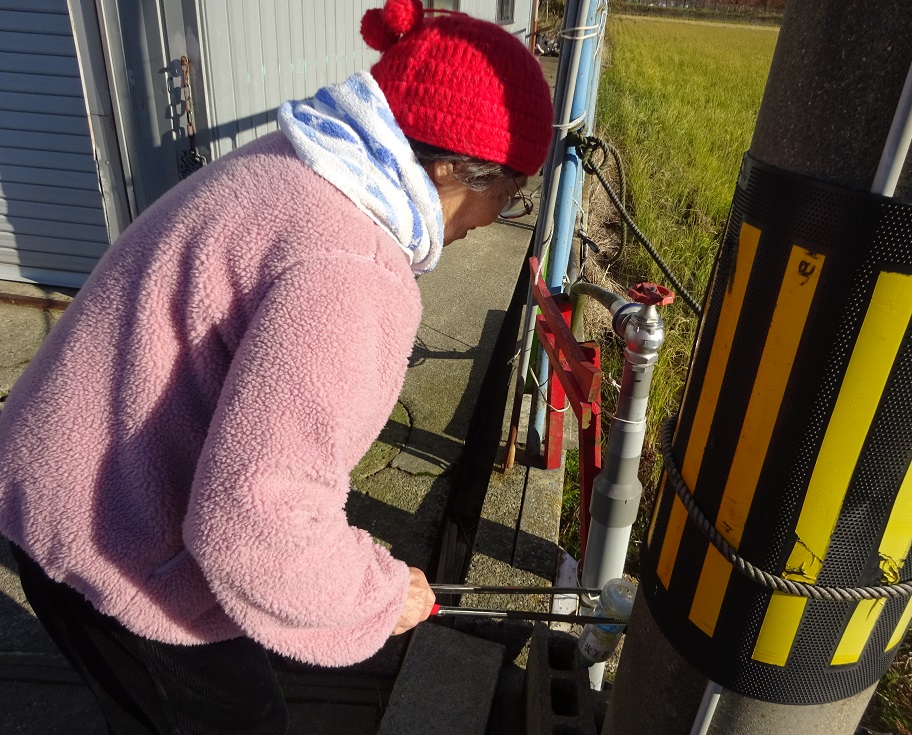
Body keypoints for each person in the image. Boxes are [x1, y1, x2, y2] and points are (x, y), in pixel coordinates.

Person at [0, 0, 553, 732]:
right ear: (453, 167)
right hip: (114, 540)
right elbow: (255, 523)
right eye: (507, 196)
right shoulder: (352, 268)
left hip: (55, 477)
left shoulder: (296, 161)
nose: (492, 220)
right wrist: (381, 594)